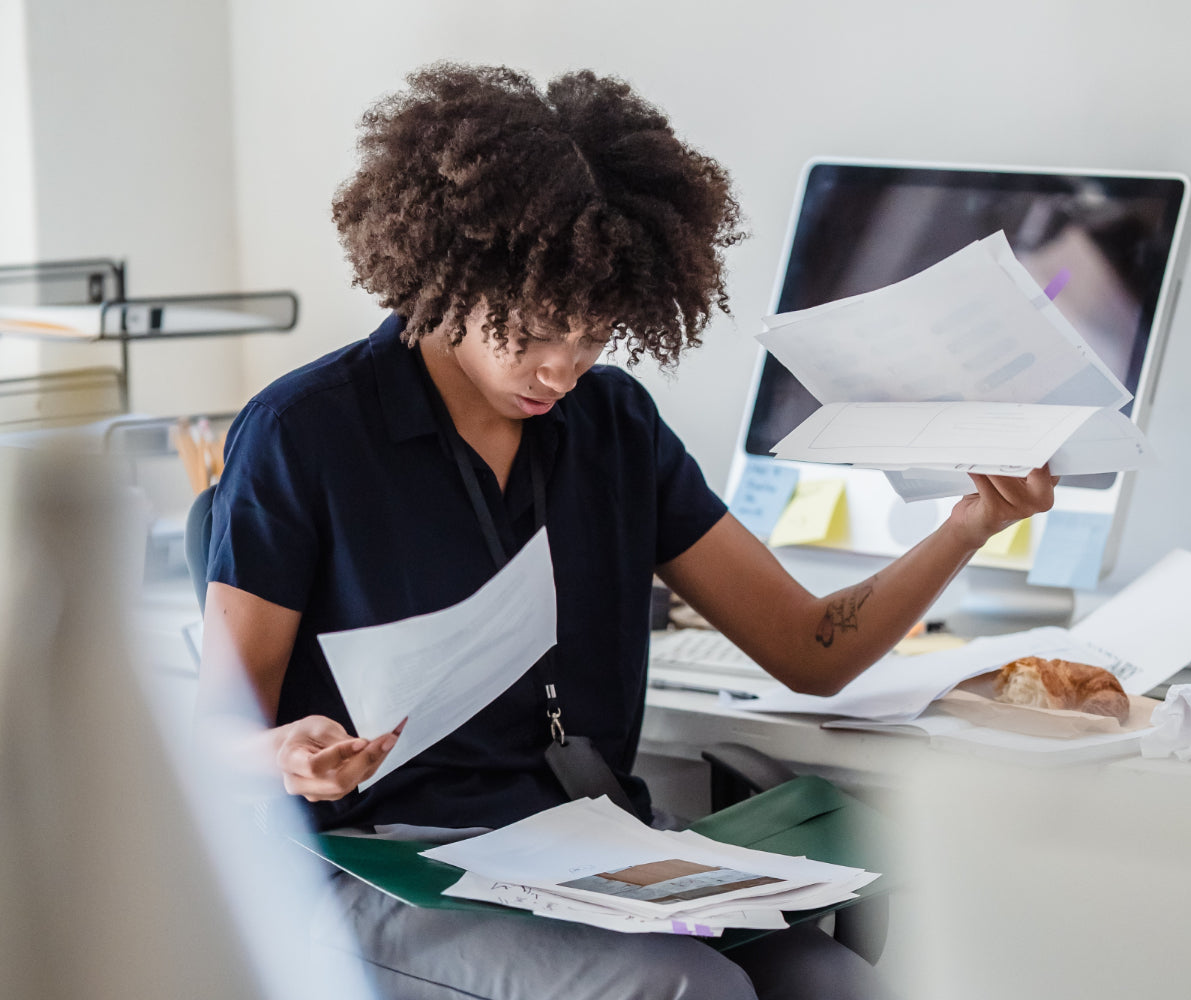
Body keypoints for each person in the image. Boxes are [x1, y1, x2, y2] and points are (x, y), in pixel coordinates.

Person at [198, 63, 1057, 1000]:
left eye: (594, 335)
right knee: (690, 990)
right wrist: (285, 752)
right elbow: (216, 732)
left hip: (585, 860)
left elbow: (810, 650)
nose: (560, 371)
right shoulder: (307, 433)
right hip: (379, 869)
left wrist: (971, 524)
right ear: (449, 272)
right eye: (529, 332)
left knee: (840, 984)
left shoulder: (612, 427)